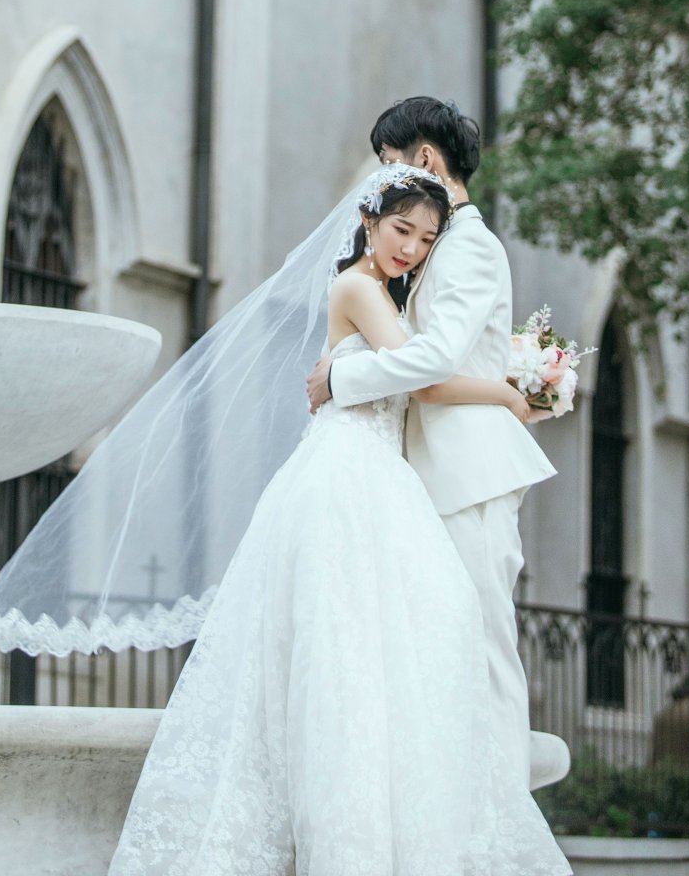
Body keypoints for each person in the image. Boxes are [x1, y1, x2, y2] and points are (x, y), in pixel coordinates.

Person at [105, 163, 571, 875]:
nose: (411, 248)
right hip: (348, 474)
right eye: (401, 230)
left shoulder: (385, 292)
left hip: (377, 472)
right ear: (368, 222)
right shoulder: (358, 287)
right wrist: (509, 395)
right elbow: (426, 374)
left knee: (394, 644)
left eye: (425, 239)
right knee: (346, 652)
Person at [305, 96, 568, 792]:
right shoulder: (430, 250)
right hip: (426, 477)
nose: (382, 177)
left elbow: (435, 360)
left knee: (484, 648)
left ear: (423, 158)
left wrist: (341, 378)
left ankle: (502, 823)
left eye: (388, 161)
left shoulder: (468, 245)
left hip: (468, 476)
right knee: (439, 653)